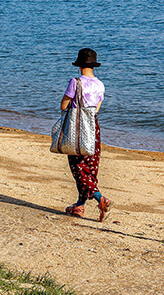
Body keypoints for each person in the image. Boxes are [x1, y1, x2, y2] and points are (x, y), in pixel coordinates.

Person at [60, 48, 112, 221]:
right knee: (90, 166)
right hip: (93, 126)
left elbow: (63, 105)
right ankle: (80, 205)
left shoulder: (75, 82)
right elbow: (96, 109)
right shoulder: (100, 84)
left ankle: (101, 199)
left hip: (78, 127)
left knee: (78, 167)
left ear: (79, 65)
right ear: (93, 65)